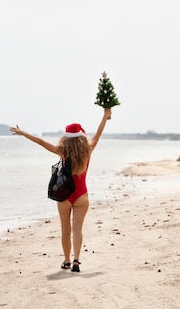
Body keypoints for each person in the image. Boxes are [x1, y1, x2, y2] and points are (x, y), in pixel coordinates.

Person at [10, 108, 112, 272]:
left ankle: (66, 261)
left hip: (65, 196)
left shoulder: (61, 151)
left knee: (66, 229)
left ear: (66, 138)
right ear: (81, 137)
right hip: (81, 196)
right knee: (78, 230)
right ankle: (77, 261)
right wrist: (105, 116)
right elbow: (98, 133)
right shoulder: (88, 149)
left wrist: (23, 132)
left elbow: (41, 142)